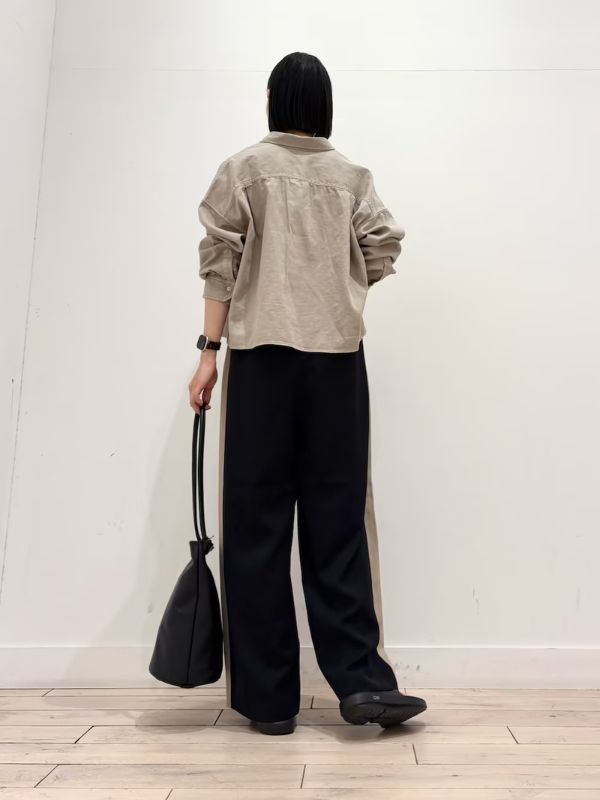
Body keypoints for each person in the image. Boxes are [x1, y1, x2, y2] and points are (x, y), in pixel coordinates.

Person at [188, 51, 427, 736]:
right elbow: (383, 247)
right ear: (324, 105)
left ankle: (268, 702)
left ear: (273, 100)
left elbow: (220, 262)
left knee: (255, 526)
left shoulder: (244, 169)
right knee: (339, 522)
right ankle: (362, 683)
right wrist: (338, 285)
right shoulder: (352, 177)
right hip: (337, 363)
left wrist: (207, 354)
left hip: (260, 360)